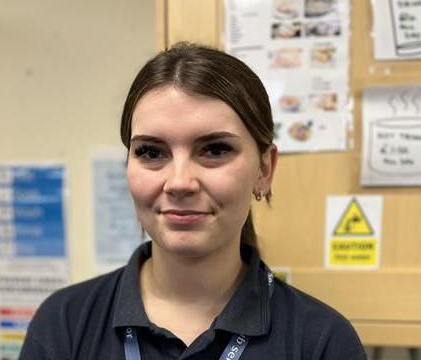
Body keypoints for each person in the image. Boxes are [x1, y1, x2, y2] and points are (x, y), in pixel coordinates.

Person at [19, 42, 366, 360]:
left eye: (215, 150)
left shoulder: (322, 342)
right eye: (152, 152)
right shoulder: (64, 323)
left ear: (264, 168)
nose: (180, 183)